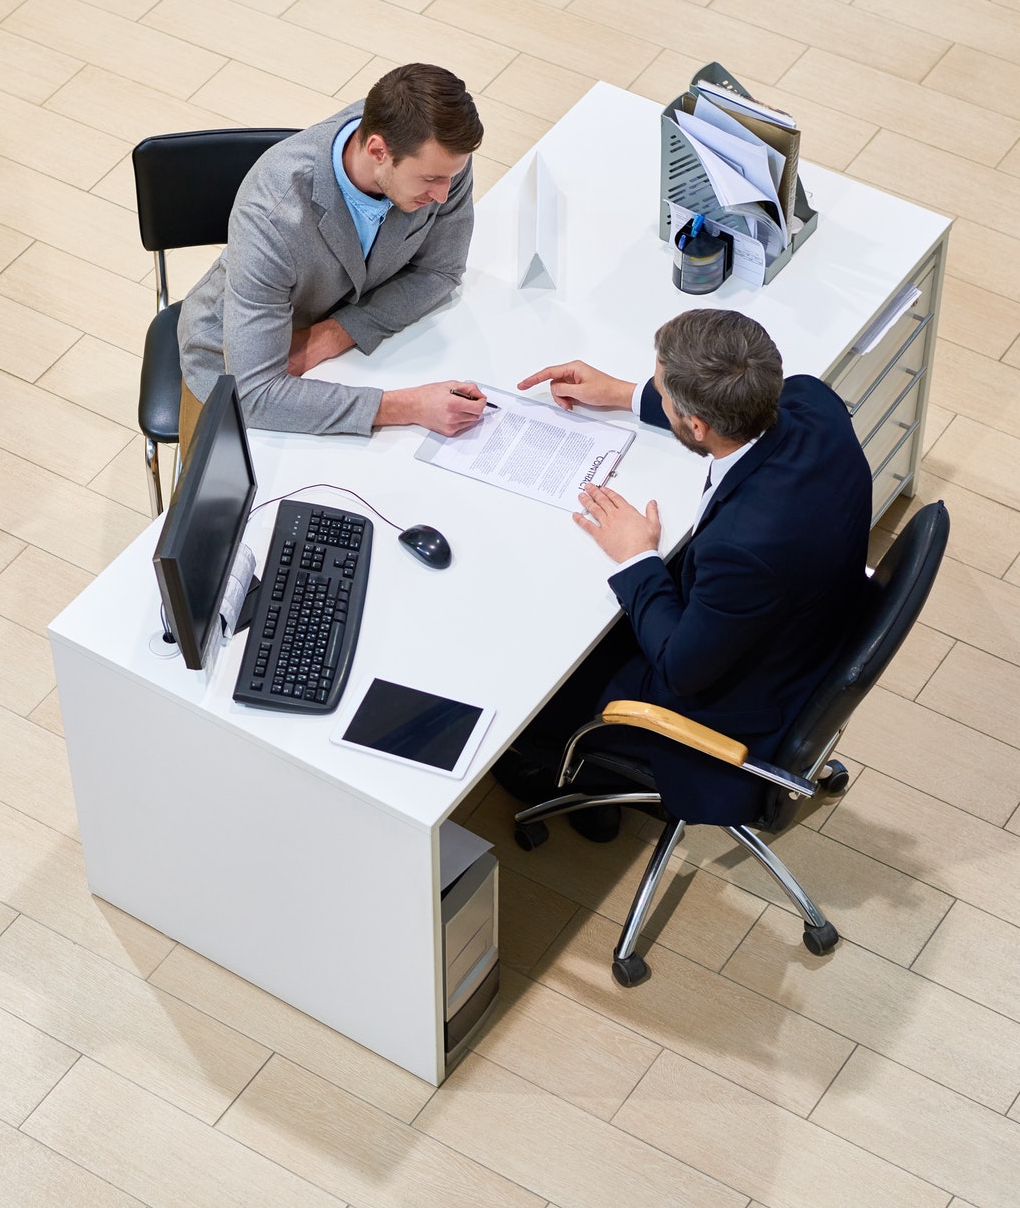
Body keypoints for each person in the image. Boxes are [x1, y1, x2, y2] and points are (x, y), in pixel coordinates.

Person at [492, 309, 871, 837]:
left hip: (733, 706)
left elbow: (678, 669)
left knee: (535, 665)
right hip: (809, 631)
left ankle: (563, 771)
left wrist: (637, 556)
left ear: (697, 425)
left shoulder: (744, 549)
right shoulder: (814, 403)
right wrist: (623, 394)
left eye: (660, 392)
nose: (655, 393)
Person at [177, 62, 488, 446]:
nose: (443, 195)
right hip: (232, 362)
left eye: (450, 178)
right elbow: (254, 395)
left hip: (346, 347)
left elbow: (440, 271)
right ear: (377, 150)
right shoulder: (272, 215)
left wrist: (331, 335)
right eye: (431, 181)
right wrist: (406, 406)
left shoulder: (440, 159)